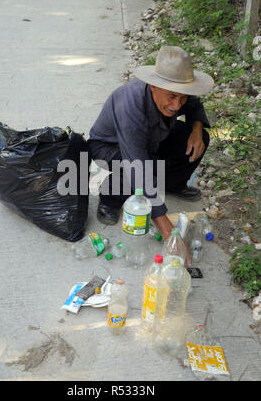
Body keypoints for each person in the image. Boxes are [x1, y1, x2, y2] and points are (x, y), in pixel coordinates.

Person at [88, 46, 214, 265]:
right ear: (155, 87)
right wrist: (170, 235)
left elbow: (194, 105)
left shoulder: (179, 95)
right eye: (172, 97)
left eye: (182, 98)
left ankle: (171, 184)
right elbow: (137, 164)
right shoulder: (131, 104)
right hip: (110, 149)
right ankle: (110, 199)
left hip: (152, 140)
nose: (176, 106)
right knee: (133, 170)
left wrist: (196, 131)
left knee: (200, 137)